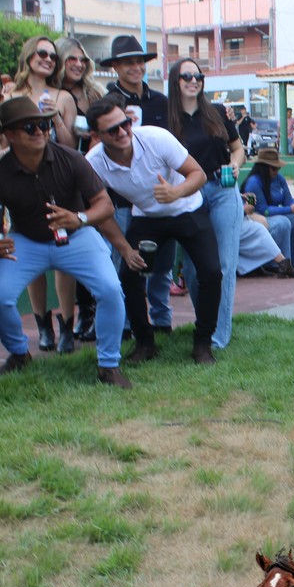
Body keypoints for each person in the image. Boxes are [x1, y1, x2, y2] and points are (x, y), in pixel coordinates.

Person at [0, 97, 136, 389]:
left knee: (110, 288)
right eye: (30, 127)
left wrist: (78, 218)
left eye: (44, 124)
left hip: (77, 236)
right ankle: (19, 353)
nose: (41, 131)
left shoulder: (71, 158)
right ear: (10, 135)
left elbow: (104, 206)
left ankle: (109, 365)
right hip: (26, 239)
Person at [84, 96, 221, 366]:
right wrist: (125, 249)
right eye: (112, 130)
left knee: (211, 272)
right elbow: (100, 210)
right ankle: (145, 342)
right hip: (147, 216)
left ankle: (203, 342)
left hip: (188, 208)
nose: (123, 132)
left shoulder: (156, 138)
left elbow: (198, 174)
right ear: (96, 136)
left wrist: (176, 191)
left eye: (125, 123)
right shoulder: (93, 162)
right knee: (129, 275)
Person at [164, 58, 246, 349]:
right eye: (186, 76)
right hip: (189, 195)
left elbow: (237, 148)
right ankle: (206, 321)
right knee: (194, 268)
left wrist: (236, 164)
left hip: (223, 190)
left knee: (223, 264)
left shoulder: (217, 113)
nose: (193, 81)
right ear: (175, 81)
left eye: (198, 76)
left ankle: (217, 336)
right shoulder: (166, 119)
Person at [7, 35, 81, 354]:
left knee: (63, 251)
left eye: (52, 56)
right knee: (30, 251)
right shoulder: (10, 95)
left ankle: (67, 325)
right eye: (41, 53)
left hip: (57, 179)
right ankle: (42, 325)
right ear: (28, 56)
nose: (48, 59)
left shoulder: (63, 97)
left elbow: (70, 145)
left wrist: (55, 117)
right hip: (21, 180)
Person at [101, 35, 175, 336]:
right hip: (122, 197)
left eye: (139, 61)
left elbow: (172, 145)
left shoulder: (160, 101)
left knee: (162, 262)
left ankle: (162, 318)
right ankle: (127, 323)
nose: (136, 67)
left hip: (158, 195)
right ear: (115, 67)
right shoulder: (108, 102)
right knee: (123, 260)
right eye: (128, 62)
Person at [56, 36, 106, 345]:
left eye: (82, 59)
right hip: (61, 176)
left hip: (94, 173)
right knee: (68, 246)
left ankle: (95, 311)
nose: (77, 64)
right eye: (71, 59)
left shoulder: (95, 93)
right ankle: (80, 313)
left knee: (95, 244)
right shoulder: (51, 94)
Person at [243, 148, 294, 273]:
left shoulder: (279, 179)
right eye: (274, 168)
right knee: (282, 223)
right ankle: (279, 264)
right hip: (257, 217)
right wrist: (290, 209)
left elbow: (288, 200)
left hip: (275, 213)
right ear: (264, 167)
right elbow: (264, 210)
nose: (277, 171)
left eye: (278, 168)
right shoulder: (253, 182)